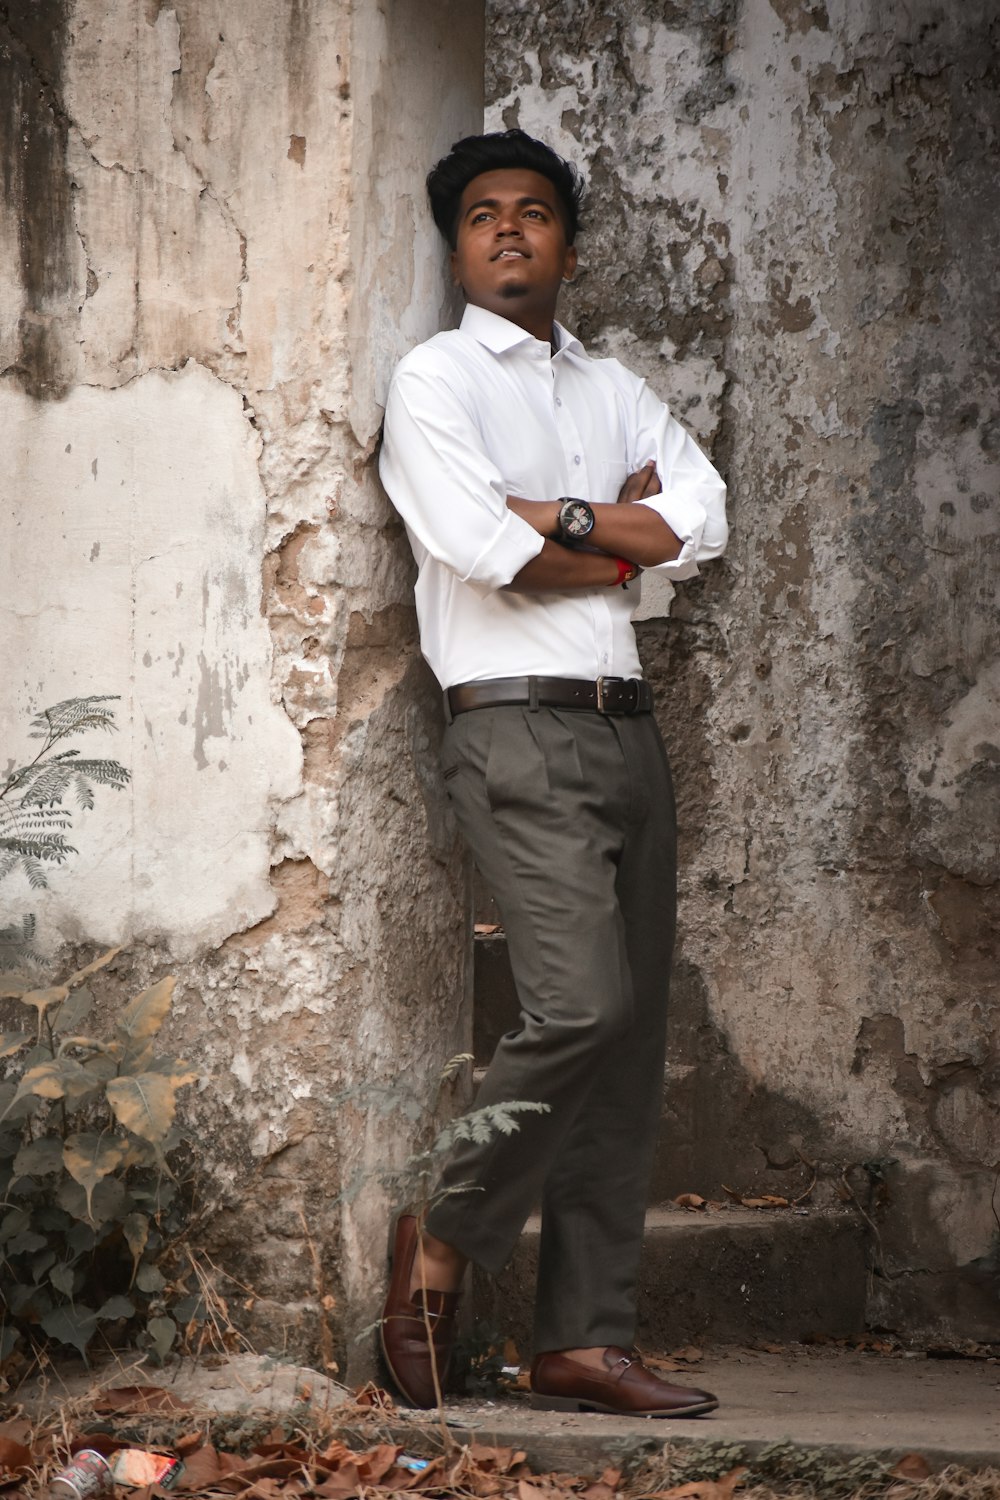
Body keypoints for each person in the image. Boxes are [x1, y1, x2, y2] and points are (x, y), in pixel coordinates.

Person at [377, 130, 727, 1417]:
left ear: (569, 245)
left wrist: (558, 517)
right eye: (483, 216)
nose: (510, 230)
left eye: (534, 213)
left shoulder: (616, 387)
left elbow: (706, 514)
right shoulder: (434, 379)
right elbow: (478, 546)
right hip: (512, 723)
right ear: (458, 245)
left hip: (627, 727)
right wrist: (617, 535)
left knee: (628, 1043)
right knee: (579, 1006)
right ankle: (445, 1238)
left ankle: (582, 1339)